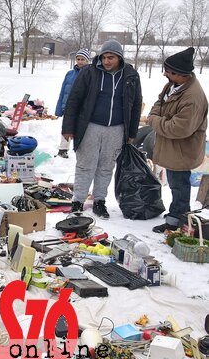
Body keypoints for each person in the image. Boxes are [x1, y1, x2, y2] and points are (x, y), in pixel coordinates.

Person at [62, 40, 142, 219]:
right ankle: (78, 201)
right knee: (85, 165)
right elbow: (74, 99)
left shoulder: (130, 75)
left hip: (117, 128)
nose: (106, 61)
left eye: (111, 58)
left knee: (106, 167)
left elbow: (136, 104)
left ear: (119, 58)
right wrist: (68, 127)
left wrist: (132, 132)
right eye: (104, 57)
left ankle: (100, 201)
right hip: (90, 126)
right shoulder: (89, 72)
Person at [147, 47, 208, 233]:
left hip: (182, 150)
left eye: (168, 71)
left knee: (179, 186)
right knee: (175, 184)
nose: (165, 74)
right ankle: (177, 214)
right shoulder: (173, 85)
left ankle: (175, 222)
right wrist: (155, 116)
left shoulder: (193, 97)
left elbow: (178, 128)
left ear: (181, 74)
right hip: (171, 148)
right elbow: (159, 103)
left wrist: (154, 120)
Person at [55, 49, 90, 158]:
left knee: (81, 130)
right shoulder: (70, 74)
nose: (80, 61)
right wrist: (59, 108)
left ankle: (82, 151)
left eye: (82, 59)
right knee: (66, 128)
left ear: (87, 60)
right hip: (68, 107)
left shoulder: (89, 74)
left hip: (81, 108)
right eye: (78, 59)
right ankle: (63, 149)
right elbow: (63, 92)